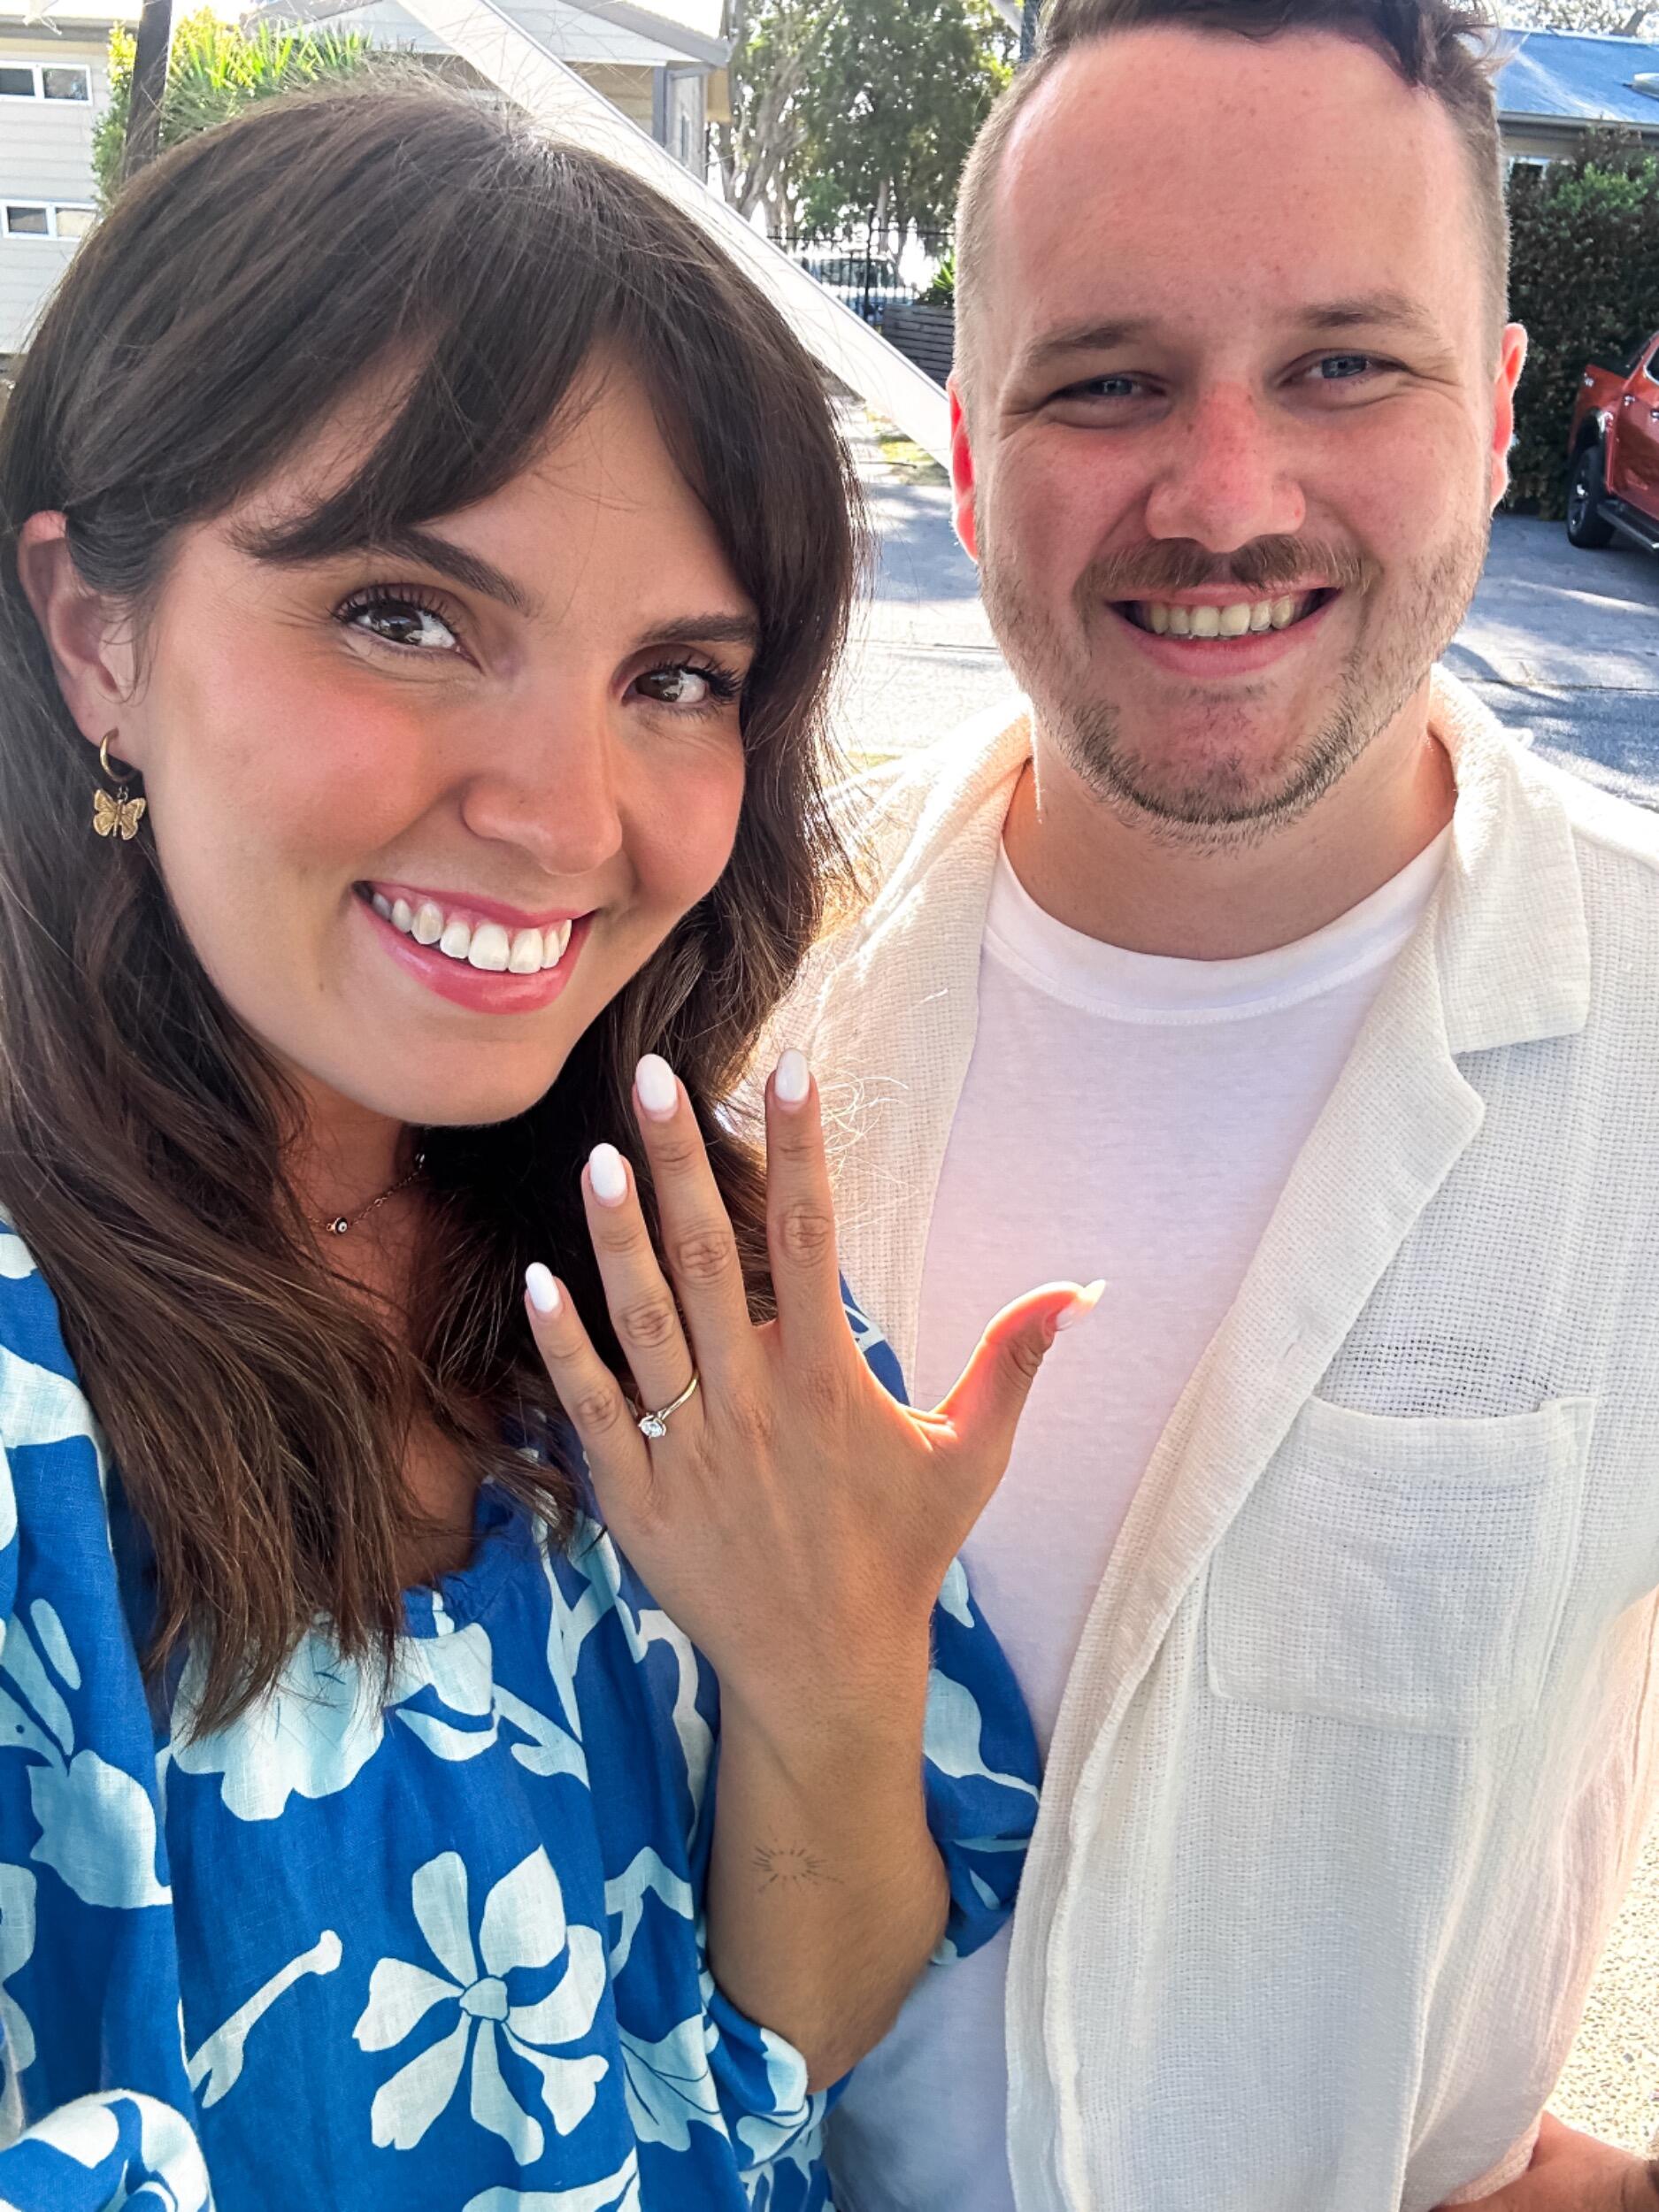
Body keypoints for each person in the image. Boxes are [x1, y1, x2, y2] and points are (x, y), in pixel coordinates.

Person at [0, 82, 1094, 2211]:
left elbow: (804, 2026)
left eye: (677, 675)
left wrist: (825, 1673)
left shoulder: (661, 1270)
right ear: (95, 637)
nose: (569, 812)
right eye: (407, 612)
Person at [787, 2, 1659, 2208]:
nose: (1223, 496)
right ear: (970, 451)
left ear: (1493, 424)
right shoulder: (726, 977)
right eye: (1106, 378)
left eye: (1344, 364)